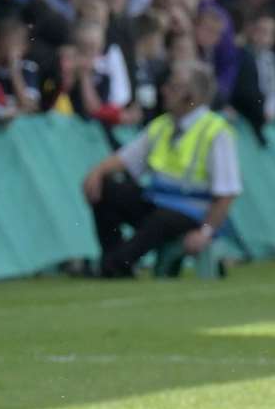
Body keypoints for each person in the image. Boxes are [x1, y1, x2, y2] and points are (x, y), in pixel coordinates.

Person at [81, 60, 240, 278]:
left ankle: (113, 265)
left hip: (193, 212)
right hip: (158, 202)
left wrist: (205, 233)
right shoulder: (163, 125)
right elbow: (126, 158)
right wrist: (96, 173)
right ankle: (115, 261)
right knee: (108, 191)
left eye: (173, 87)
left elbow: (226, 192)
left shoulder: (216, 132)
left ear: (191, 97)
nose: (164, 90)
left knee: (160, 221)